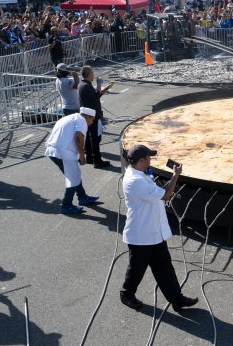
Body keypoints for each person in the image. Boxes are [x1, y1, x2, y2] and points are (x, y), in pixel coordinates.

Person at [120, 144, 198, 312]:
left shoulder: (139, 174)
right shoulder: (136, 180)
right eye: (149, 157)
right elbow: (165, 195)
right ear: (141, 160)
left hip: (153, 233)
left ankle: (177, 299)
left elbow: (158, 192)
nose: (151, 160)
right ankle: (126, 294)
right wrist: (176, 176)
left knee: (165, 268)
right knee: (136, 270)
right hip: (141, 235)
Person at [44, 107, 101, 214]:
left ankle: (82, 196)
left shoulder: (71, 117)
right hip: (63, 152)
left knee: (74, 173)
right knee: (73, 177)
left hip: (54, 150)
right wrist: (82, 156)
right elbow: (79, 136)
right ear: (87, 117)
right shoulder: (81, 120)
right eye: (92, 119)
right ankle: (66, 205)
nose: (91, 122)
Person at [78, 66, 111, 168]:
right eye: (92, 72)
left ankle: (90, 157)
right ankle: (97, 160)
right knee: (95, 138)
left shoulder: (84, 84)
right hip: (91, 117)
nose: (93, 74)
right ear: (89, 74)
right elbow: (95, 97)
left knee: (89, 137)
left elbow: (95, 97)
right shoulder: (86, 86)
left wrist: (103, 90)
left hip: (89, 115)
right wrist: (99, 85)